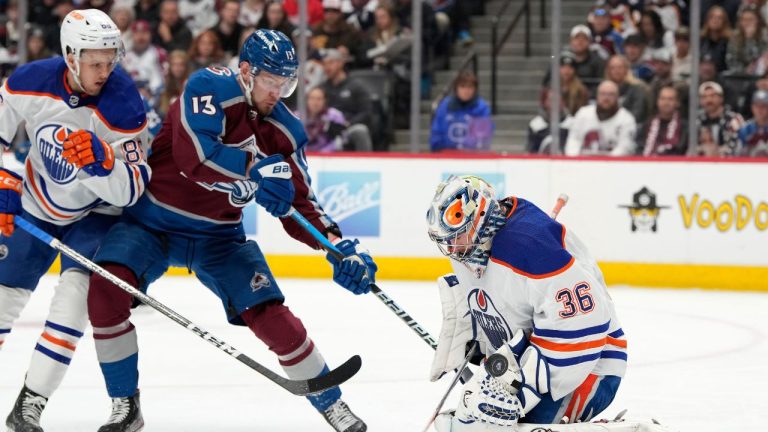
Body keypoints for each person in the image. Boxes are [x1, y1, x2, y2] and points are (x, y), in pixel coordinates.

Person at [85, 29, 376, 432]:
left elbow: (301, 204)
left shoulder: (286, 131)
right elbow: (194, 157)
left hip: (218, 239)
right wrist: (254, 174)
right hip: (151, 223)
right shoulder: (209, 86)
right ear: (245, 72)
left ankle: (333, 406)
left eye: (285, 83)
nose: (278, 92)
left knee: (273, 315)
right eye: (271, 81)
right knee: (104, 292)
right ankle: (125, 405)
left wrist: (337, 245)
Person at [0, 9, 149, 432]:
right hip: (34, 203)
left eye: (110, 61)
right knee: (2, 301)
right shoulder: (30, 80)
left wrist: (106, 165)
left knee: (71, 305)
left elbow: (134, 188)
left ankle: (29, 404)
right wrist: (3, 179)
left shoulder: (123, 102)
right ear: (70, 55)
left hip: (95, 215)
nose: (105, 71)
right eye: (94, 62)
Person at [426, 175, 627, 430]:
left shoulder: (531, 247)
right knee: (475, 420)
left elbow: (583, 328)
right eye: (449, 239)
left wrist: (522, 390)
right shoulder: (470, 245)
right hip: (526, 359)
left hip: (589, 364)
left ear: (480, 218)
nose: (452, 247)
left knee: (502, 423)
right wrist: (482, 340)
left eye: (458, 236)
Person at [565, 80, 637, 156]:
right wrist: (573, 160)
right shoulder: (583, 113)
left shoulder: (627, 119)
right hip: (583, 163)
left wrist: (604, 163)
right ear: (597, 96)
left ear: (617, 97)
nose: (606, 98)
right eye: (603, 94)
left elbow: (624, 148)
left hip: (614, 165)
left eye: (611, 94)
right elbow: (574, 140)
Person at [430, 70, 494, 152]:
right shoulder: (445, 106)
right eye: (462, 86)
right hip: (446, 156)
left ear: (475, 89)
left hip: (472, 157)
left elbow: (482, 140)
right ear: (456, 88)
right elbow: (437, 134)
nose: (466, 91)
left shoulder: (481, 108)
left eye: (470, 87)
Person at [737, 89, 768, 157]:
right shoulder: (745, 128)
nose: (760, 109)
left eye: (763, 106)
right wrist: (748, 146)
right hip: (750, 165)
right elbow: (738, 154)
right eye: (757, 106)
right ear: (752, 107)